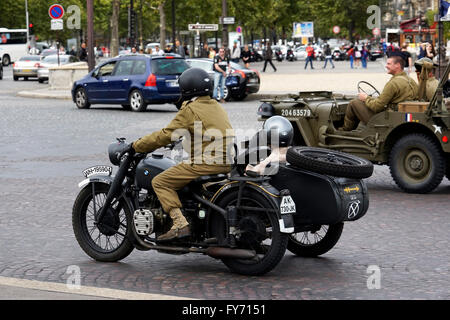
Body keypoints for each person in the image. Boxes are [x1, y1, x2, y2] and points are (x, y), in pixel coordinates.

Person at [127, 68, 234, 242]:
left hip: (206, 162)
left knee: (160, 182)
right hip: (226, 161)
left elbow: (165, 135)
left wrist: (136, 146)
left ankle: (179, 224)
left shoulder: (190, 110)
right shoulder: (216, 106)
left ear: (187, 89)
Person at [339, 55, 418, 131]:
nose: (386, 66)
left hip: (387, 119)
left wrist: (366, 98)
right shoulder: (411, 81)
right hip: (401, 117)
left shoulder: (393, 83)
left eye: (389, 64)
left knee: (354, 103)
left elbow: (377, 106)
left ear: (397, 65)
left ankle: (345, 130)